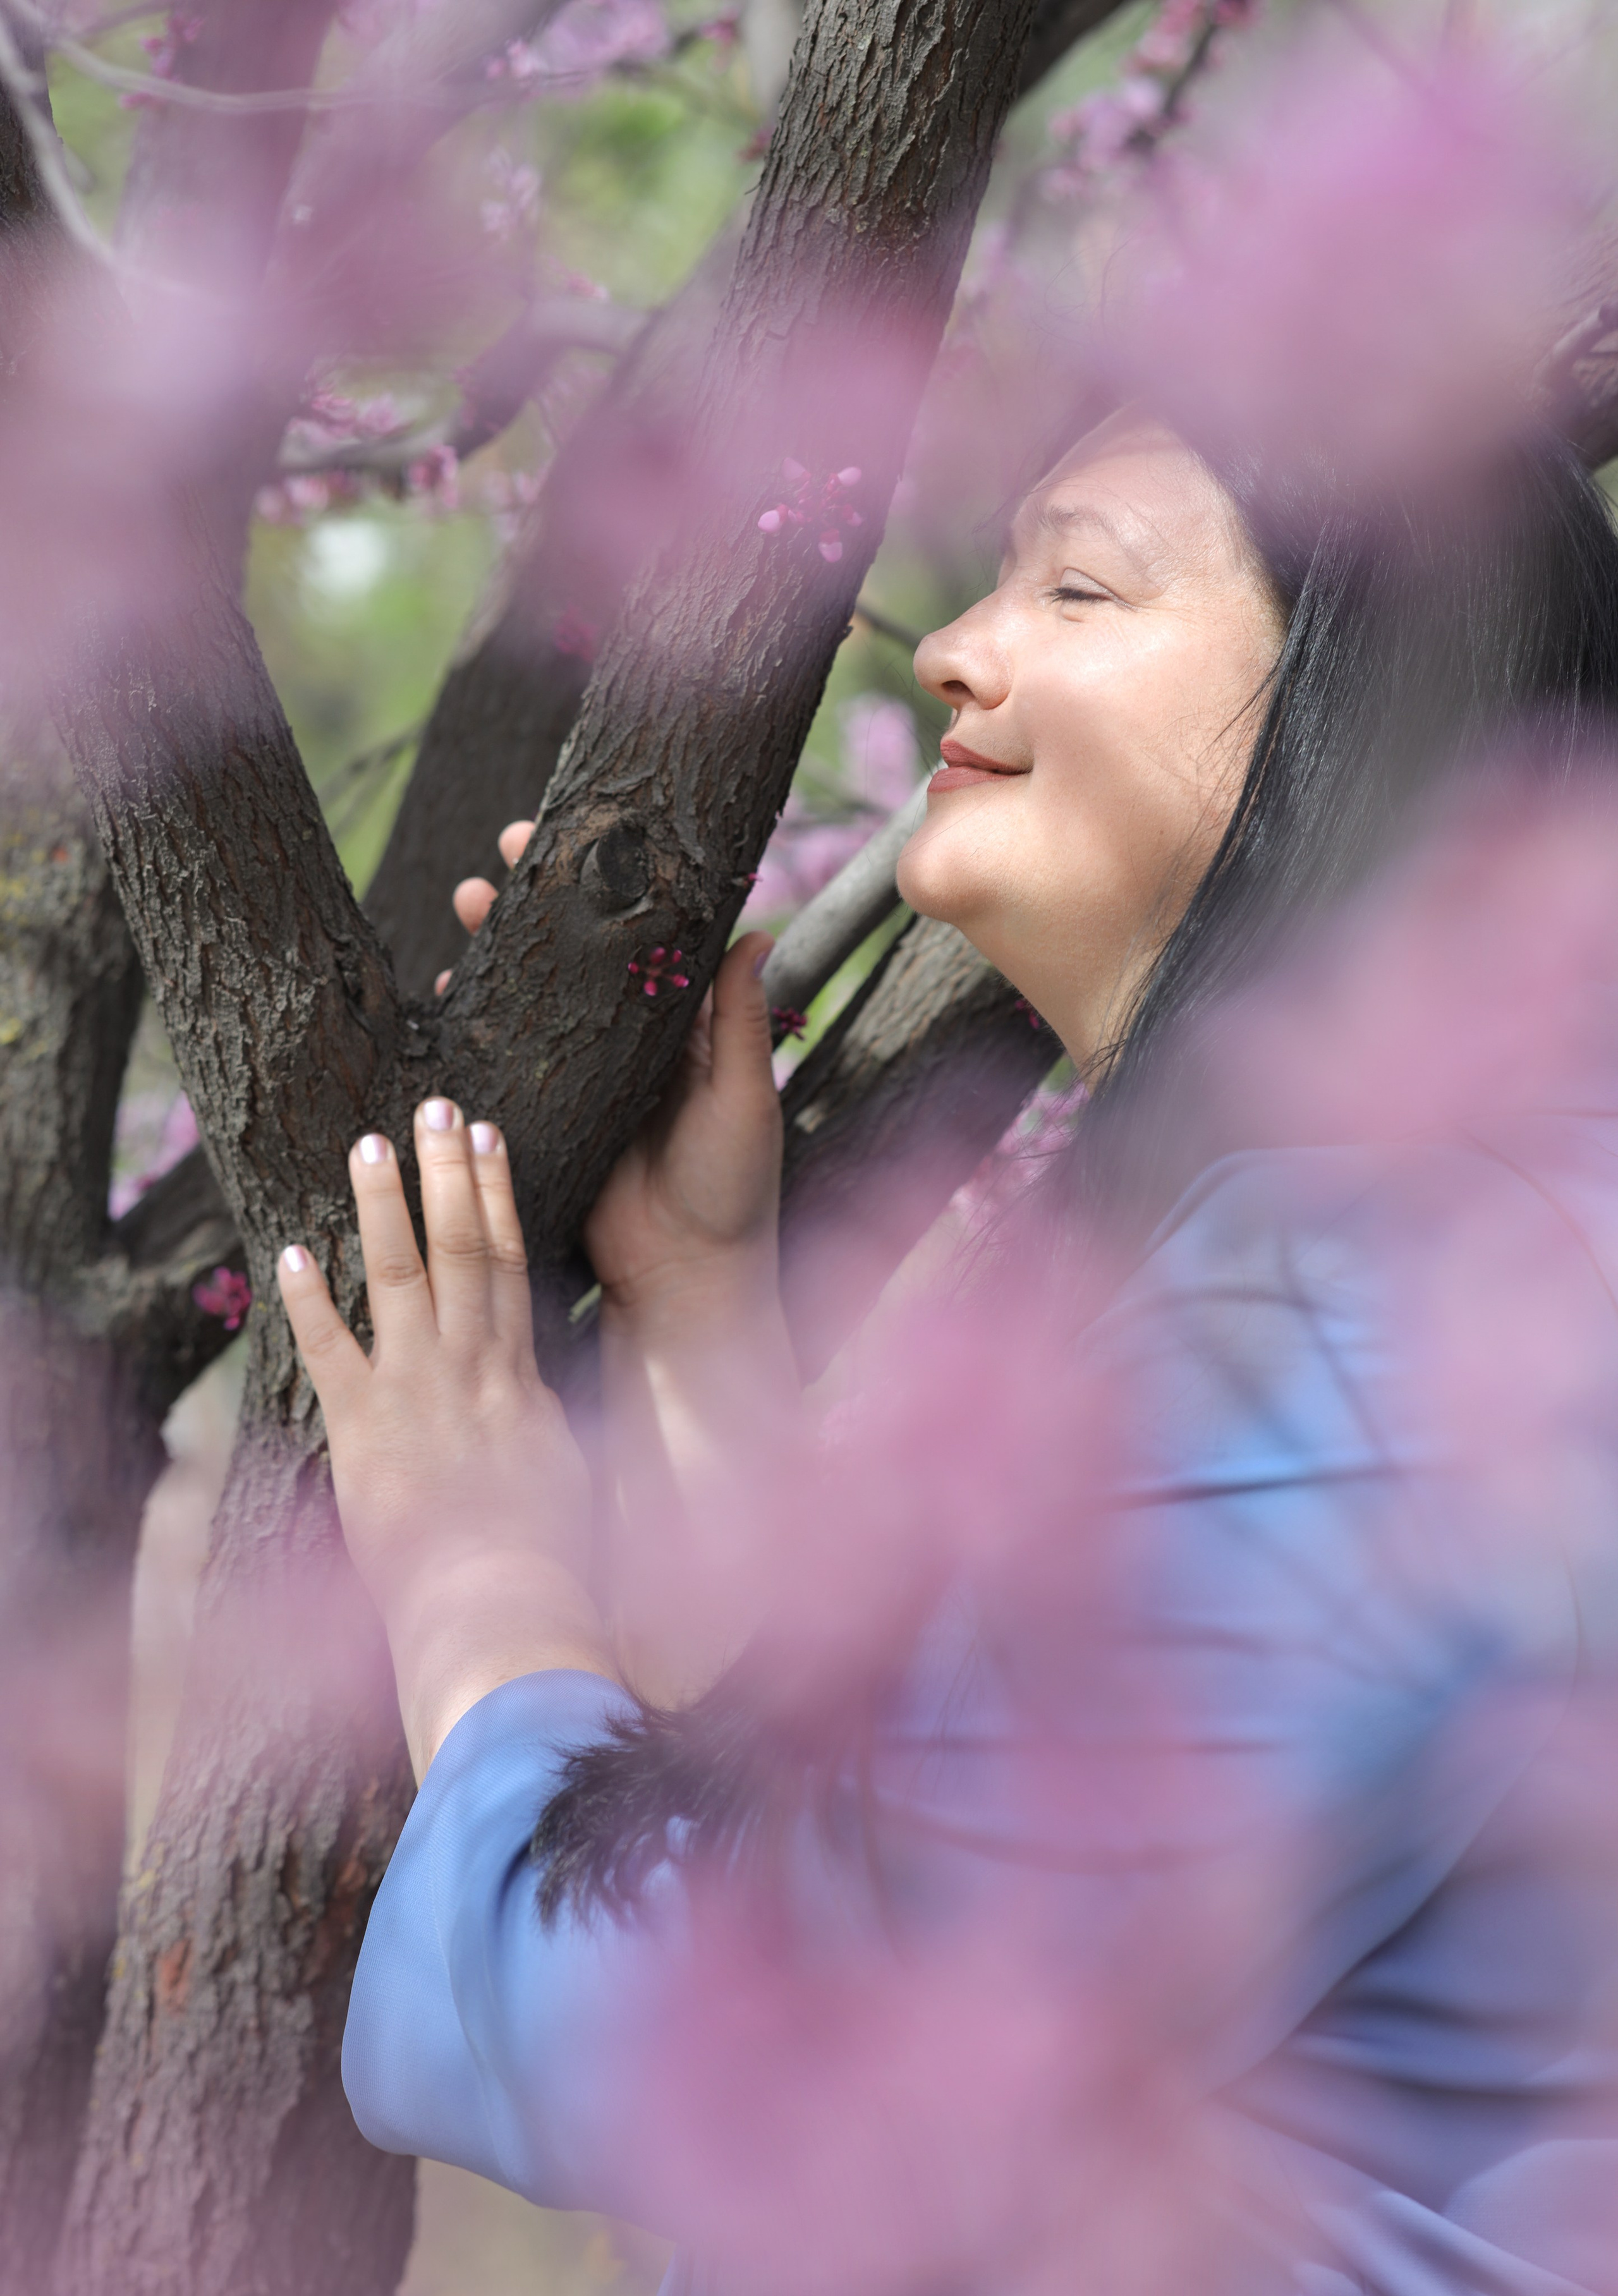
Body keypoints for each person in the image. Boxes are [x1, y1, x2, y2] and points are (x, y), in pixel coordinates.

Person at [277, 412, 1618, 2294]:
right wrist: (698, 1314)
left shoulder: (1396, 1293)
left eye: (1079, 584)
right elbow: (941, 1864)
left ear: (1372, 693)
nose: (953, 645)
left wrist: (472, 1563)